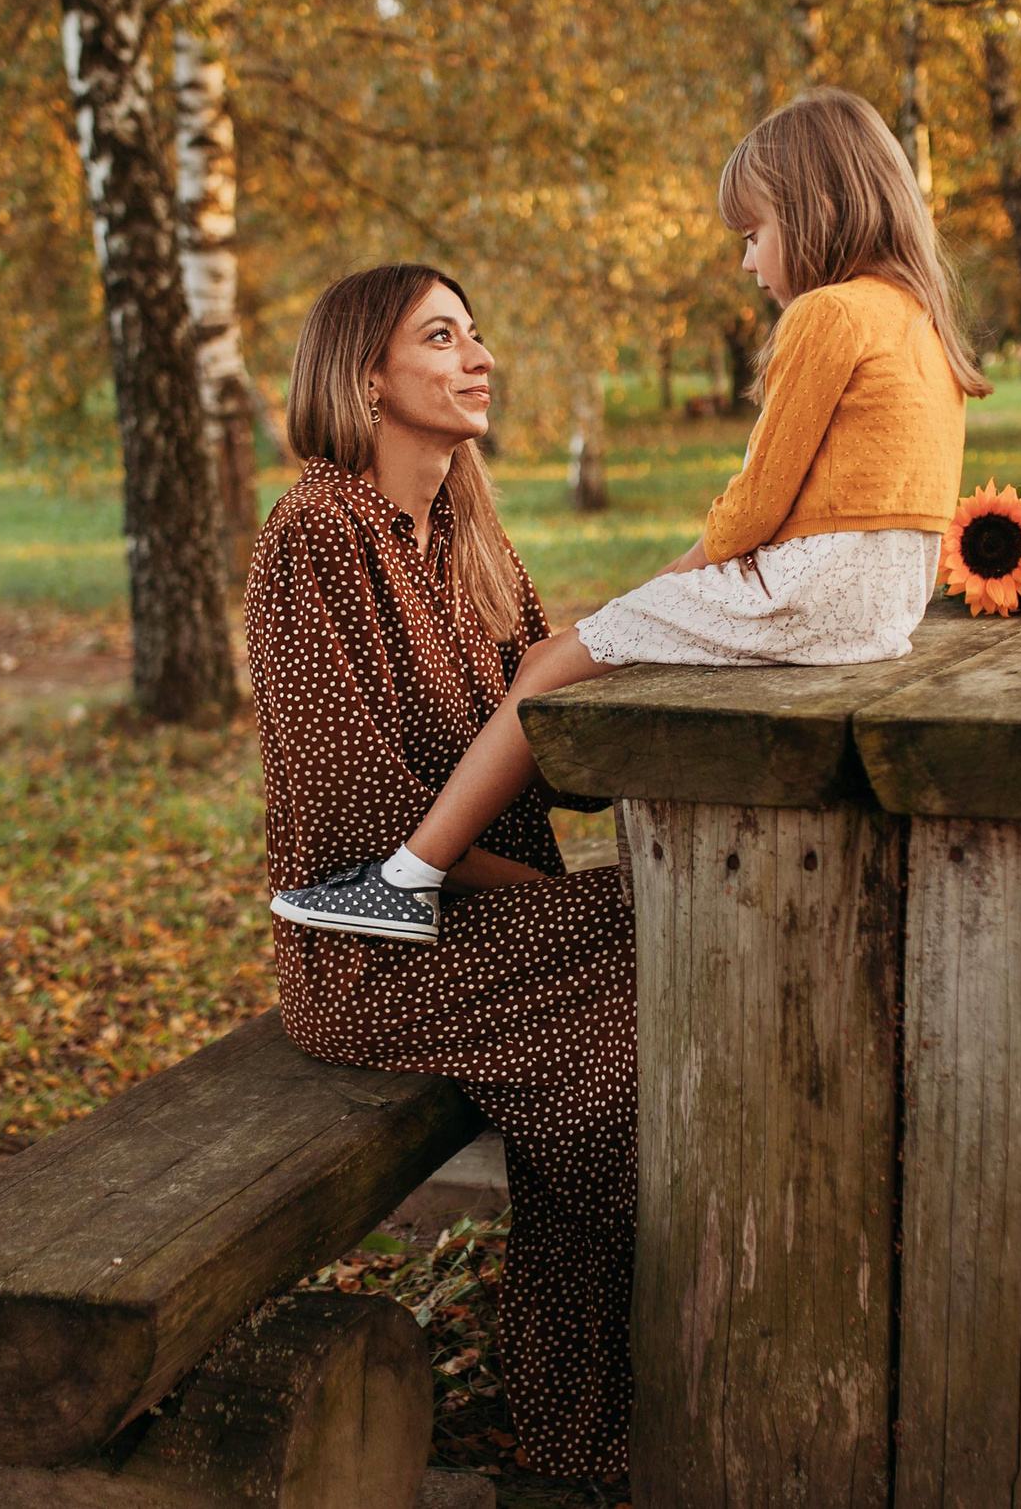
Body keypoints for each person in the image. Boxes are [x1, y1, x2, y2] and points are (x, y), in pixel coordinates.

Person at [272, 86, 985, 945]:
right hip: (890, 603)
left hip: (814, 588)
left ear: (815, 210)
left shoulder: (827, 313)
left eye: (753, 233)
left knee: (552, 662)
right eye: (442, 337)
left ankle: (407, 875)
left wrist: (668, 584)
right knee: (567, 657)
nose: (748, 263)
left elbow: (757, 501)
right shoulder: (917, 318)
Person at [245, 262, 634, 1477]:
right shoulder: (315, 537)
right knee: (663, 961)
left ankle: (585, 1420)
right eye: (441, 337)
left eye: (475, 334)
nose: (479, 358)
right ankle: (582, 1424)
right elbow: (360, 821)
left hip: (489, 931)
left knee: (618, 1067)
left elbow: (548, 745)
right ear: (365, 378)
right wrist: (568, 902)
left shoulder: (468, 530)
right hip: (373, 956)